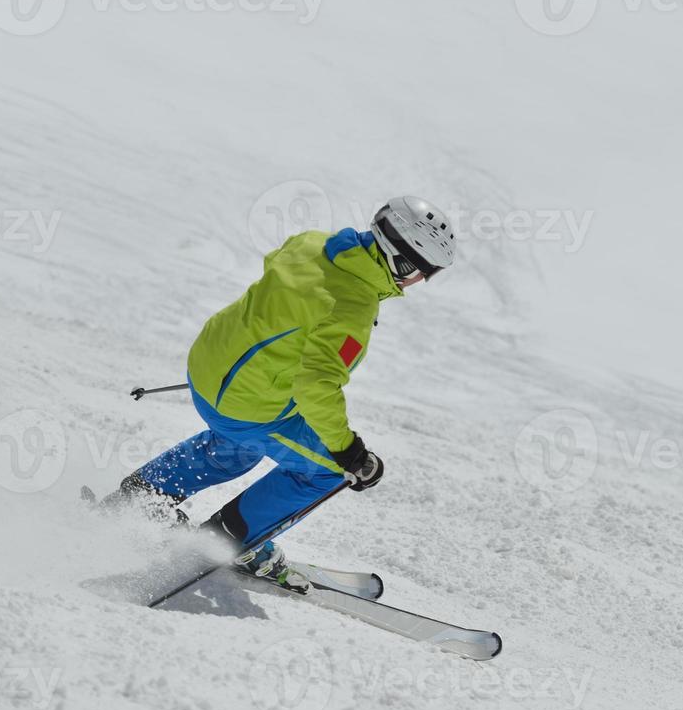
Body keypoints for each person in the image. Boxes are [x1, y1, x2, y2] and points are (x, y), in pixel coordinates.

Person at [102, 196, 456, 591]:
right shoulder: (352, 307)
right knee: (326, 470)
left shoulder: (313, 242)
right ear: (401, 262)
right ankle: (228, 542)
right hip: (247, 403)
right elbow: (316, 386)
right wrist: (349, 452)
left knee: (238, 447)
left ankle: (143, 494)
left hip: (208, 367)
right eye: (423, 273)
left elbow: (280, 303)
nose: (419, 282)